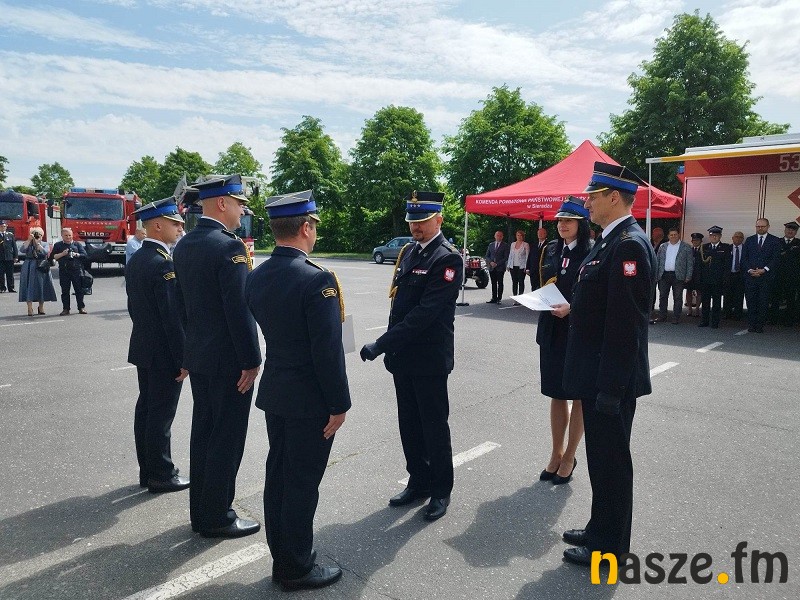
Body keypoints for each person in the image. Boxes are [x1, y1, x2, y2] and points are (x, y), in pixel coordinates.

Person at [245, 190, 351, 591]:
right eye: (314, 226)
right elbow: (328, 350)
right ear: (305, 227)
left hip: (278, 392)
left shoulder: (257, 275)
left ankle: (284, 555)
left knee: (280, 476)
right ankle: (295, 567)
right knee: (302, 483)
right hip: (310, 399)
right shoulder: (317, 278)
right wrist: (339, 403)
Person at [560, 162, 655, 566]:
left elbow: (625, 325)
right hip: (596, 374)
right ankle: (599, 527)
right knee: (601, 461)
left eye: (592, 197)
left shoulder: (628, 244)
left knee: (612, 464)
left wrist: (612, 388)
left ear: (613, 197)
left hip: (609, 379)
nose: (586, 203)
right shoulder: (610, 241)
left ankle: (609, 547)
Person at [360, 190, 463, 522]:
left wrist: (381, 343)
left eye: (422, 221)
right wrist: (391, 348)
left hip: (429, 359)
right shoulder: (409, 253)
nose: (416, 227)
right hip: (403, 358)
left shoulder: (446, 259)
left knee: (433, 426)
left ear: (439, 220)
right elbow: (398, 305)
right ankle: (418, 481)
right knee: (409, 424)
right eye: (412, 222)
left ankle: (441, 489)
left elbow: (424, 314)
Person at [172, 174, 262, 538]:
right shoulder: (229, 247)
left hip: (201, 357)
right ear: (222, 203)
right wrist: (252, 360)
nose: (242, 211)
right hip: (229, 362)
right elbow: (239, 311)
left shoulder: (185, 244)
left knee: (204, 434)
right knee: (227, 437)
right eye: (239, 203)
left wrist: (189, 350)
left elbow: (180, 307)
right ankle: (218, 516)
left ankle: (201, 511)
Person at [125, 198, 189, 494]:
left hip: (143, 347)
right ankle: (162, 473)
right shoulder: (163, 263)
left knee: (147, 411)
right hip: (163, 353)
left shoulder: (138, 258)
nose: (180, 228)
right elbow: (171, 318)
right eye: (175, 223)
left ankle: (148, 471)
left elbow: (135, 308)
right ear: (158, 225)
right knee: (160, 416)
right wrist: (183, 358)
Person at [536, 197, 591, 486]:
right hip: (552, 329)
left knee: (578, 395)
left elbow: (595, 294)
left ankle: (570, 455)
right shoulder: (550, 249)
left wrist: (573, 308)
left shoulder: (593, 250)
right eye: (559, 220)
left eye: (568, 220)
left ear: (582, 224)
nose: (562, 225)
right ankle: (556, 453)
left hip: (577, 331)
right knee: (556, 393)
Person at [741, 218, 781, 333]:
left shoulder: (775, 240)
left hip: (765, 278)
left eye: (763, 226)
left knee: (763, 302)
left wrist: (764, 270)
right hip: (751, 277)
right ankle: (751, 324)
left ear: (768, 227)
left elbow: (776, 259)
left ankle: (760, 325)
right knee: (751, 301)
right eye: (758, 226)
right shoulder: (750, 240)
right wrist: (750, 270)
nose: (760, 228)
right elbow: (744, 258)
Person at [654, 227, 693, 324]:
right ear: (668, 236)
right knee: (663, 296)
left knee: (678, 297)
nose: (673, 236)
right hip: (664, 275)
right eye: (671, 235)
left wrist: (688, 275)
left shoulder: (686, 247)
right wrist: (656, 274)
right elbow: (658, 260)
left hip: (678, 275)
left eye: (675, 234)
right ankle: (662, 316)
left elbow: (690, 263)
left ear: (678, 235)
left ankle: (676, 317)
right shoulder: (663, 246)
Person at [18, 226, 56, 316]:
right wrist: (29, 240)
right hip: (29, 265)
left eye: (39, 235)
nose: (37, 237)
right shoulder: (28, 243)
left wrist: (38, 244)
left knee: (41, 285)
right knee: (29, 285)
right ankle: (29, 307)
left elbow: (45, 252)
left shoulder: (44, 244)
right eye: (35, 235)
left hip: (41, 265)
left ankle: (41, 306)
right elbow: (22, 250)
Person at [49, 228, 88, 316]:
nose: (68, 237)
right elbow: (52, 257)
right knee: (65, 291)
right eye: (66, 235)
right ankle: (66, 309)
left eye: (70, 235)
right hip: (64, 271)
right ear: (62, 236)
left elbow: (85, 255)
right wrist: (62, 254)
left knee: (79, 290)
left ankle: (81, 307)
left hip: (76, 271)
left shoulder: (77, 244)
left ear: (72, 235)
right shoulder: (58, 245)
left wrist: (76, 254)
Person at [698, 226, 731, 329]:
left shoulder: (725, 248)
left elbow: (727, 265)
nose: (714, 237)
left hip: (718, 280)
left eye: (716, 235)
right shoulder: (704, 247)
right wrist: (699, 279)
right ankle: (704, 321)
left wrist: (725, 279)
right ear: (709, 236)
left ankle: (715, 322)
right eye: (712, 235)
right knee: (705, 302)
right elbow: (699, 265)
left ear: (720, 236)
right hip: (706, 280)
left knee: (716, 302)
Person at [768, 222, 800, 326]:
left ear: (796, 232)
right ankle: (773, 319)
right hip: (777, 275)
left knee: (791, 299)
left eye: (793, 230)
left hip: (792, 277)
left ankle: (789, 321)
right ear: (784, 230)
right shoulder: (777, 242)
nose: (790, 231)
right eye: (788, 229)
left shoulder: (798, 243)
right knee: (775, 298)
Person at [723, 231, 745, 321]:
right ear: (732, 238)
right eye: (736, 236)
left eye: (740, 237)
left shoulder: (746, 249)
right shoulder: (727, 248)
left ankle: (737, 314)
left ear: (743, 239)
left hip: (740, 275)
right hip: (729, 275)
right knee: (727, 295)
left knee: (739, 295)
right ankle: (726, 313)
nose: (738, 238)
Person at [485, 230, 509, 303]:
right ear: (495, 236)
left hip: (500, 267)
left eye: (500, 236)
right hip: (491, 267)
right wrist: (491, 262)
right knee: (493, 283)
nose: (499, 237)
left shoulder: (505, 245)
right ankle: (494, 298)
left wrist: (497, 264)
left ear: (502, 237)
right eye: (497, 235)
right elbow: (487, 256)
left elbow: (506, 257)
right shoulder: (491, 245)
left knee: (500, 283)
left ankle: (499, 298)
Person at [685, 233, 704, 317]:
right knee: (688, 291)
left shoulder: (703, 250)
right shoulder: (689, 250)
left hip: (699, 275)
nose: (695, 242)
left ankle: (697, 309)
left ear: (701, 241)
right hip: (690, 274)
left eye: (697, 240)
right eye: (694, 240)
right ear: (691, 241)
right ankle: (689, 308)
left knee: (699, 292)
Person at [507, 230, 530, 296]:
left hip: (522, 266)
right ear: (516, 236)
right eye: (518, 235)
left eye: (521, 235)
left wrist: (526, 266)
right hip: (513, 266)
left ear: (523, 236)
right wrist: (508, 265)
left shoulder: (526, 244)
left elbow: (527, 256)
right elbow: (510, 255)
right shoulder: (513, 244)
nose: (519, 237)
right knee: (514, 281)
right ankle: (515, 296)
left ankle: (520, 296)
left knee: (521, 281)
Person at [0, 220, 18, 293]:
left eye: (4, 226)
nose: (3, 228)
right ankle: (2, 288)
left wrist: (16, 256)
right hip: (0, 258)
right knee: (1, 274)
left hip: (9, 257)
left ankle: (11, 288)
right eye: (1, 226)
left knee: (10, 274)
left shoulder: (10, 235)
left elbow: (14, 246)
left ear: (6, 227)